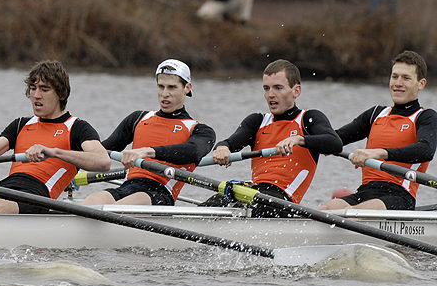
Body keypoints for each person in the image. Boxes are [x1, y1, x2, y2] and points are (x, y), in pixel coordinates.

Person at [0, 60, 111, 213]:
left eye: (44, 89)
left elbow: (103, 162)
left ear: (61, 94)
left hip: (38, 194)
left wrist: (53, 152)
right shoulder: (21, 125)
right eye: (32, 88)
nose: (36, 95)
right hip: (7, 186)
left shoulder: (77, 128)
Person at [208, 59, 342, 214]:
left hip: (282, 199)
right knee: (209, 206)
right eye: (266, 88)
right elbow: (230, 142)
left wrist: (299, 139)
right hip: (253, 191)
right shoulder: (257, 121)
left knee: (244, 208)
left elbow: (335, 143)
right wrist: (222, 148)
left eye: (278, 88)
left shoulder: (309, 119)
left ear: (296, 91)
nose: (270, 95)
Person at [83, 59, 215, 206]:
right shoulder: (138, 118)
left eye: (172, 87)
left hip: (159, 193)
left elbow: (193, 152)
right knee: (92, 202)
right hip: (127, 187)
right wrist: (65, 153)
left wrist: (148, 152)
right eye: (161, 86)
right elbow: (102, 150)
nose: (165, 93)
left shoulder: (200, 130)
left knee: (123, 206)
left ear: (187, 88)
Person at [321, 50, 435, 211]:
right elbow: (335, 139)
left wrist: (378, 153)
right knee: (327, 209)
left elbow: (426, 150)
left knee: (356, 212)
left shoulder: (425, 117)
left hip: (399, 196)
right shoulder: (375, 114)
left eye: (406, 78)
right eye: (395, 77)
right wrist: (303, 139)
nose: (398, 83)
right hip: (366, 191)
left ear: (421, 84)